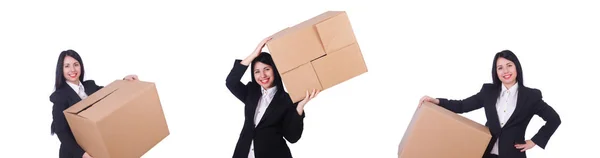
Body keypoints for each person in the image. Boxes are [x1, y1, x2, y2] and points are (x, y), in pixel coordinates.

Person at [419, 50, 561, 158]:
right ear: (496, 71)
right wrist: (437, 101)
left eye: (509, 65)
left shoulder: (531, 96)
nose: (505, 71)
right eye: (500, 67)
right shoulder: (488, 92)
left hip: (513, 154)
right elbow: (462, 106)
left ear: (516, 67)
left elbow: (554, 119)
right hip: (486, 153)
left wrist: (534, 141)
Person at [226, 37, 319, 158]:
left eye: (267, 69)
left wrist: (300, 106)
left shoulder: (287, 100)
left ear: (274, 70)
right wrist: (253, 55)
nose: (262, 75)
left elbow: (292, 137)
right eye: (257, 71)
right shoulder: (251, 92)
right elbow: (231, 82)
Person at [50, 50, 139, 158]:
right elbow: (62, 132)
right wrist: (82, 154)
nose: (72, 69)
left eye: (76, 65)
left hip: (97, 148)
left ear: (81, 66)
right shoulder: (59, 97)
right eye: (67, 66)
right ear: (61, 70)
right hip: (75, 153)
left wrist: (124, 81)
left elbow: (108, 94)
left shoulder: (90, 86)